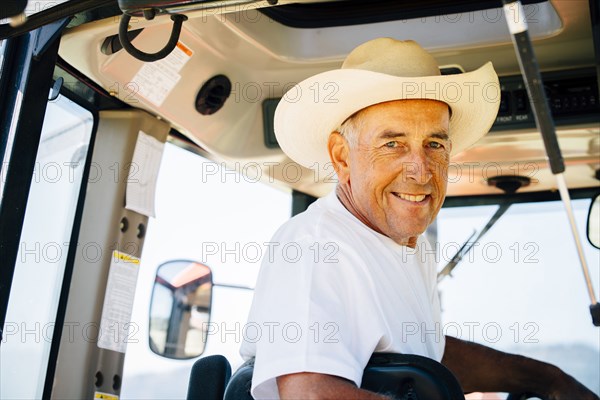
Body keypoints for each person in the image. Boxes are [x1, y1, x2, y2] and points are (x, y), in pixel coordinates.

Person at [240, 38, 598, 400]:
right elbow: (310, 395)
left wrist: (547, 379)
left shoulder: (411, 248)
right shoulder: (315, 245)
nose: (421, 170)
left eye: (435, 144)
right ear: (342, 157)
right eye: (392, 144)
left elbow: (429, 356)